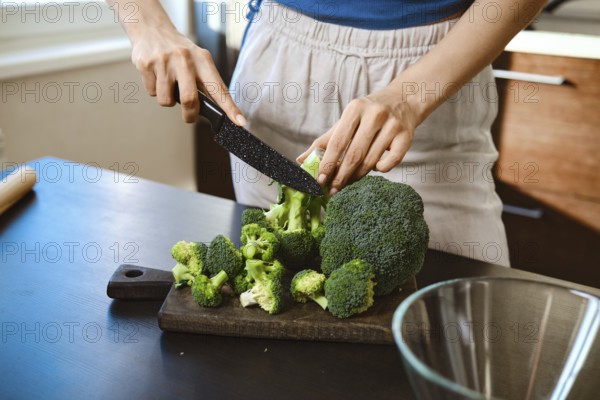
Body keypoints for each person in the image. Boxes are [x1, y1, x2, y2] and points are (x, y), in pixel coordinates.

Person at [107, 0, 546, 267]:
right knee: (286, 344)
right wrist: (148, 26)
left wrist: (409, 97)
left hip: (435, 77)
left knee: (467, 333)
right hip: (278, 75)